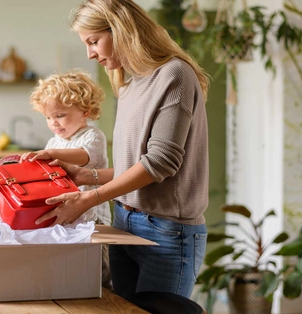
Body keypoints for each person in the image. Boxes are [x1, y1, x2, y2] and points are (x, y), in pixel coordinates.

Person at [35, 0, 210, 300]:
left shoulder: (175, 75)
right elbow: (136, 168)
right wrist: (86, 176)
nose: (90, 53)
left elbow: (159, 164)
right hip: (124, 221)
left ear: (121, 29)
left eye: (94, 41)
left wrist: (88, 199)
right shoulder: (128, 86)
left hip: (167, 231)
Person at [20, 70, 113, 288]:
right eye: (48, 117)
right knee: (70, 272)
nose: (54, 123)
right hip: (67, 218)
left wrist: (51, 155)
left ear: (85, 111)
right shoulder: (54, 142)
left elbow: (85, 156)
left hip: (93, 219)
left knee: (97, 272)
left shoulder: (93, 136)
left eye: (60, 115)